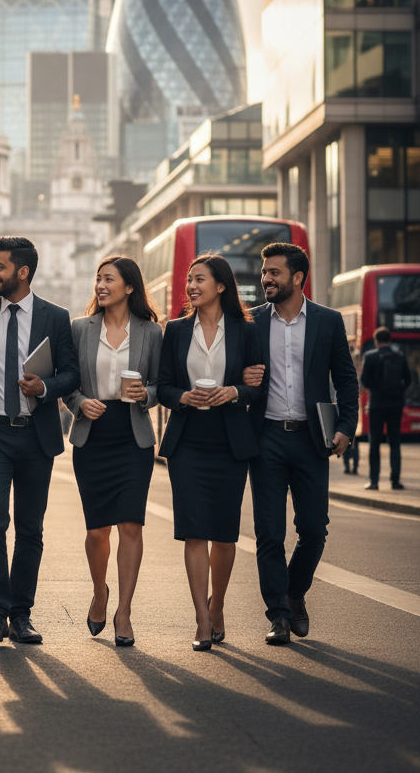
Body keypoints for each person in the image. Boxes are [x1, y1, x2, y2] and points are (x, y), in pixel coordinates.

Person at [0, 236, 80, 645]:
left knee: (30, 529)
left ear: (22, 272)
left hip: (36, 436)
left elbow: (71, 374)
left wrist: (45, 387)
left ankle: (21, 614)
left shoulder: (55, 316)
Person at [242, 242, 358, 645]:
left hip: (312, 440)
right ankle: (277, 614)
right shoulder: (252, 321)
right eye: (264, 272)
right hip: (267, 438)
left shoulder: (327, 321)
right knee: (269, 533)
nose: (266, 279)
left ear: (297, 278)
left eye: (274, 272)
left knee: (313, 529)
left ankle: (294, 593)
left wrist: (346, 425)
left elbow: (345, 378)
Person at [157, 254, 263, 651]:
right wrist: (182, 396)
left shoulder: (244, 330)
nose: (191, 286)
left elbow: (258, 386)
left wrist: (233, 391)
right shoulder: (176, 329)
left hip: (229, 441)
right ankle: (202, 620)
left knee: (223, 532)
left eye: (199, 279)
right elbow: (164, 384)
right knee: (193, 531)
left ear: (221, 286)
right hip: (188, 440)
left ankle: (217, 604)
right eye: (189, 280)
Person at [64, 256, 162, 647]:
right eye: (98, 279)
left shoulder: (152, 332)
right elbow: (67, 381)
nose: (101, 285)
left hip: (133, 436)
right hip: (93, 436)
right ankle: (99, 591)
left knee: (130, 525)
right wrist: (77, 403)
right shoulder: (79, 330)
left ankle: (124, 610)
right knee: (96, 531)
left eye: (109, 279)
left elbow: (160, 384)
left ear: (129, 287)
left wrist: (146, 395)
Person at [360, 326, 412, 490]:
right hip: (395, 404)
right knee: (395, 442)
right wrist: (398, 392)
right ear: (390, 340)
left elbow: (364, 380)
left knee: (374, 442)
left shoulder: (370, 357)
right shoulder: (400, 356)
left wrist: (375, 389)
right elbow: (408, 380)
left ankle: (374, 481)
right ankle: (395, 481)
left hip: (376, 404)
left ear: (376, 340)